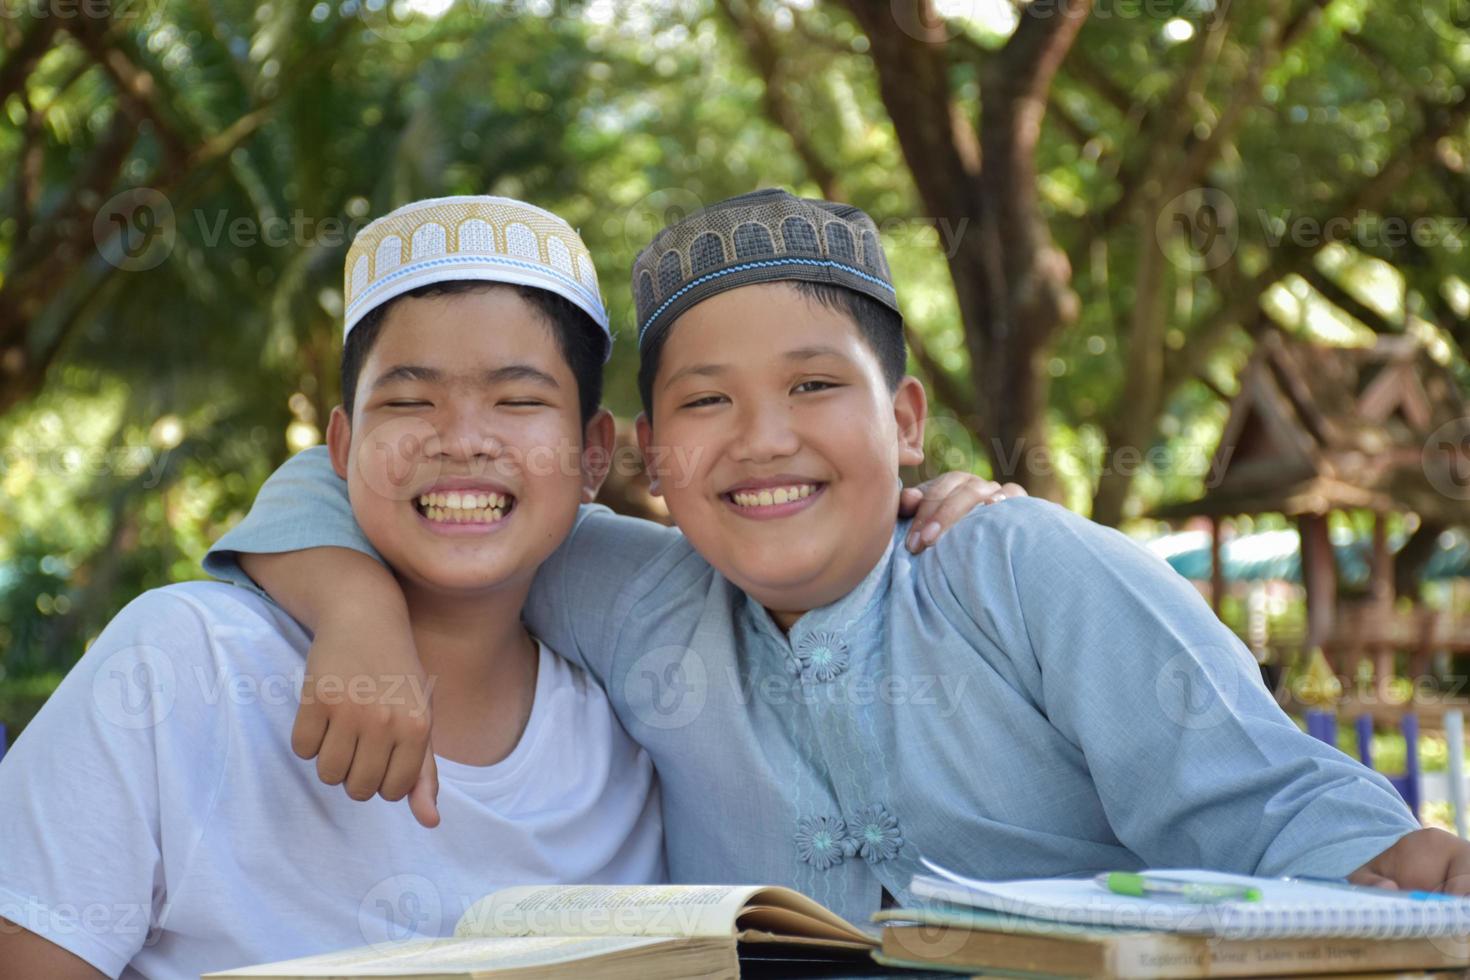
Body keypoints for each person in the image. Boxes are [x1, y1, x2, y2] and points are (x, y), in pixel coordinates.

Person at [204, 190, 1448, 929]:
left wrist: (1394, 866)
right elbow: (370, 473)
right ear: (639, 454)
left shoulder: (1013, 567)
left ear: (905, 422)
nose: (764, 440)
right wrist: (360, 612)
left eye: (813, 386)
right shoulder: (640, 594)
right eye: (704, 403)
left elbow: (1269, 799)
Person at [0, 196, 670, 979]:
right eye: (408, 400)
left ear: (593, 454)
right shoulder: (185, 666)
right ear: (343, 447)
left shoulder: (631, 749)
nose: (460, 440)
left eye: (519, 400)